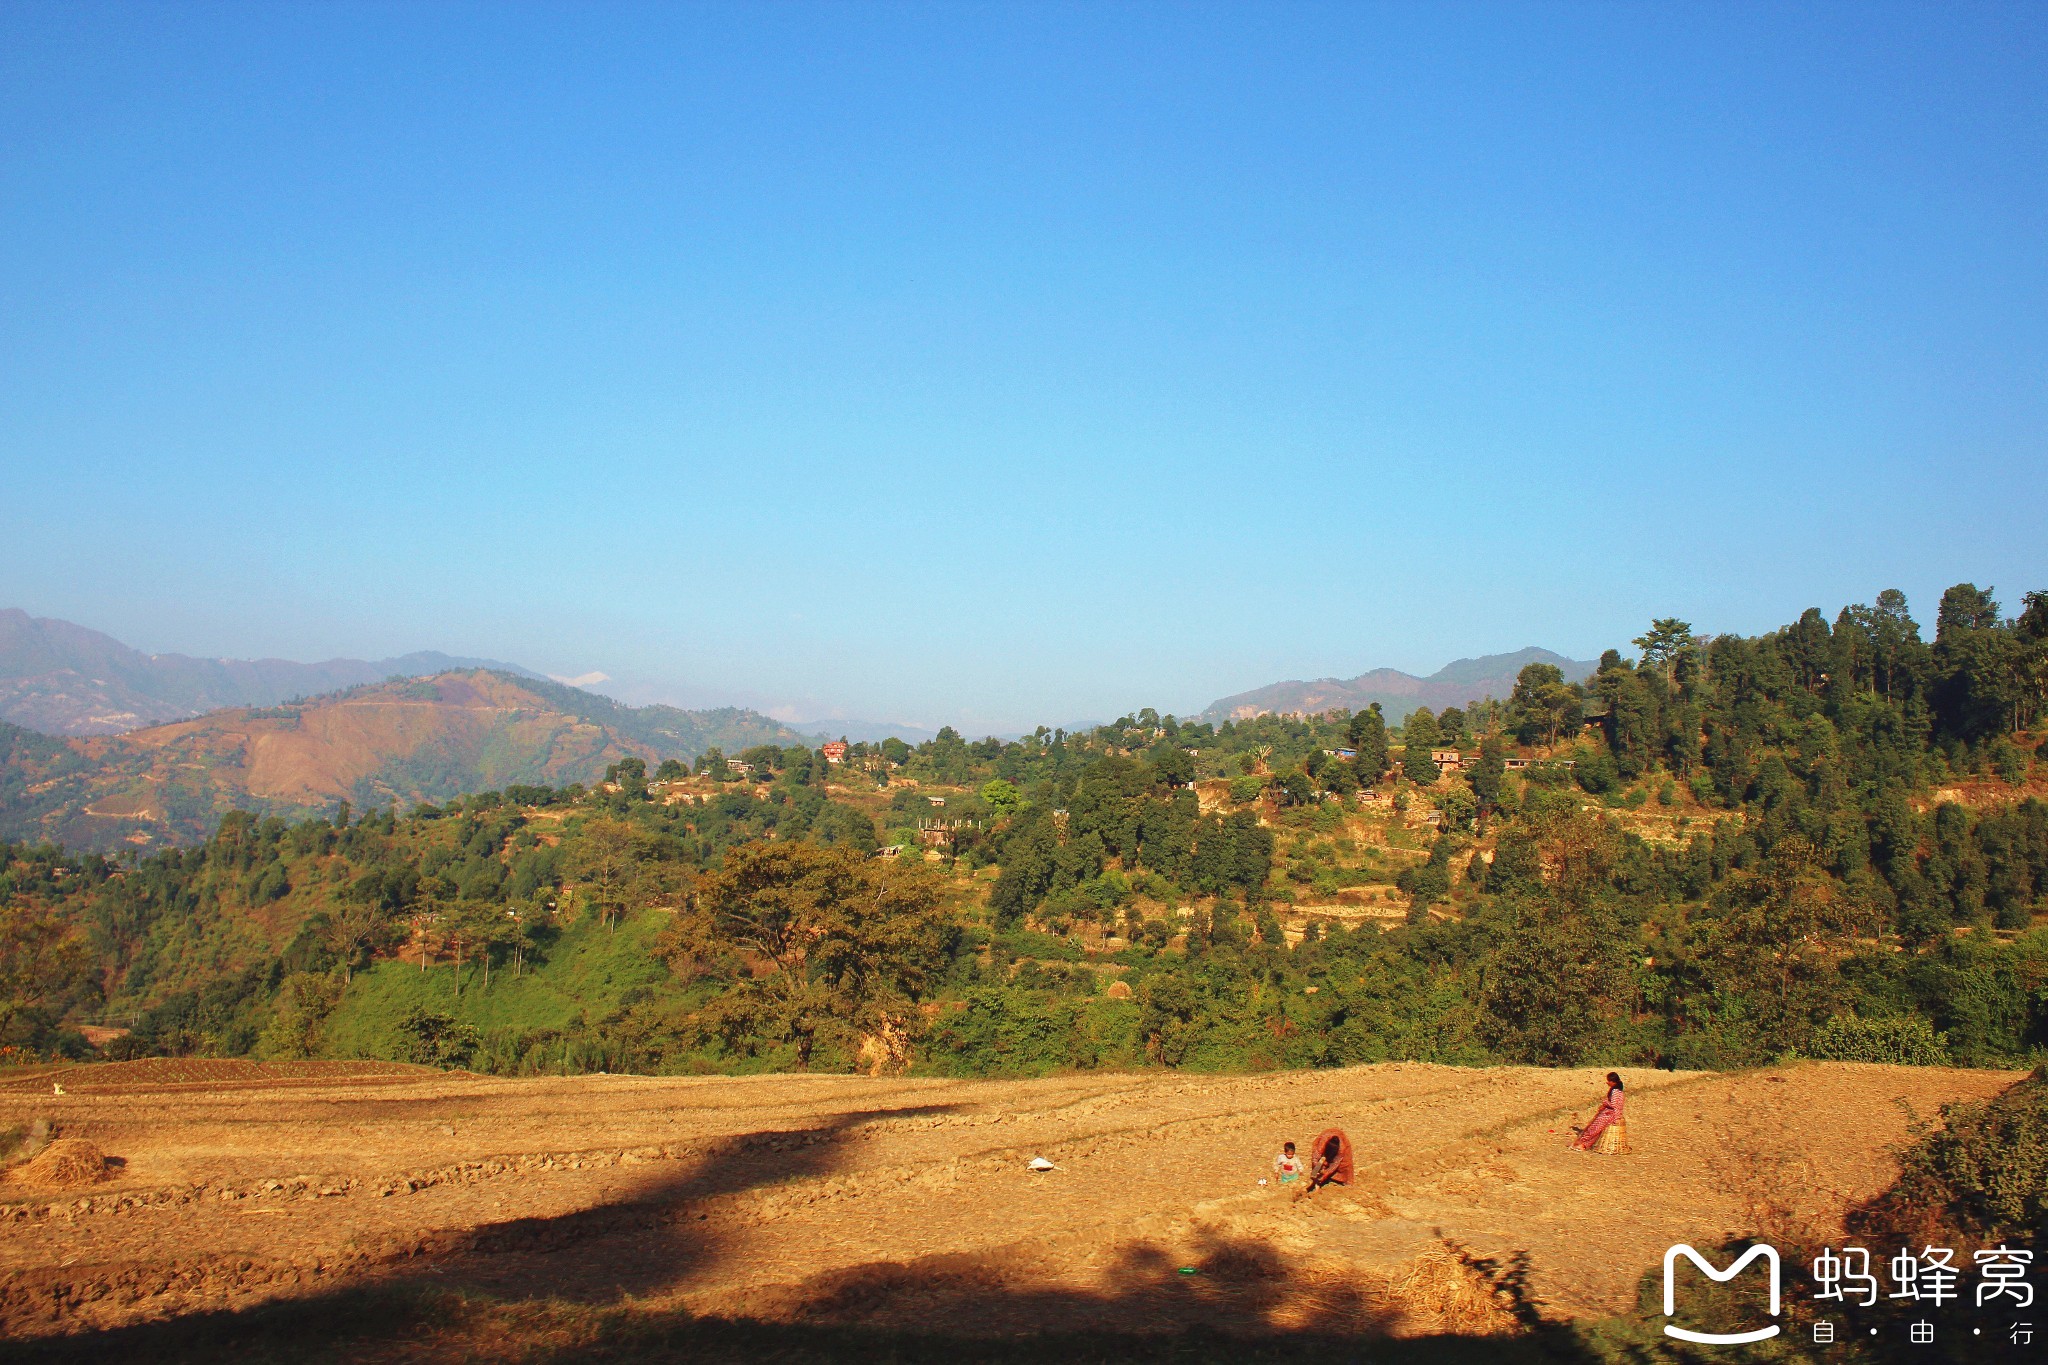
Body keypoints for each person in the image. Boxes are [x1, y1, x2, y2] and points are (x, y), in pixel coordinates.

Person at [1573, 1072, 1627, 1154]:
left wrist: (1605, 1103)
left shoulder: (1615, 1091)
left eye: (1608, 1081)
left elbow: (1614, 1105)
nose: (1607, 1083)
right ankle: (1584, 1144)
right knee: (1595, 1129)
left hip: (1611, 1114)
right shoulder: (1619, 1090)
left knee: (1594, 1129)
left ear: (1613, 1082)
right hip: (1612, 1113)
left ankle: (1583, 1144)